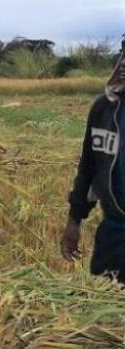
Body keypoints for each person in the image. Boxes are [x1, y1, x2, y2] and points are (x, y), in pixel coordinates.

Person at [60, 41, 125, 283]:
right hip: (114, 239)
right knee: (104, 315)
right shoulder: (105, 109)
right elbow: (88, 166)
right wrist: (74, 220)